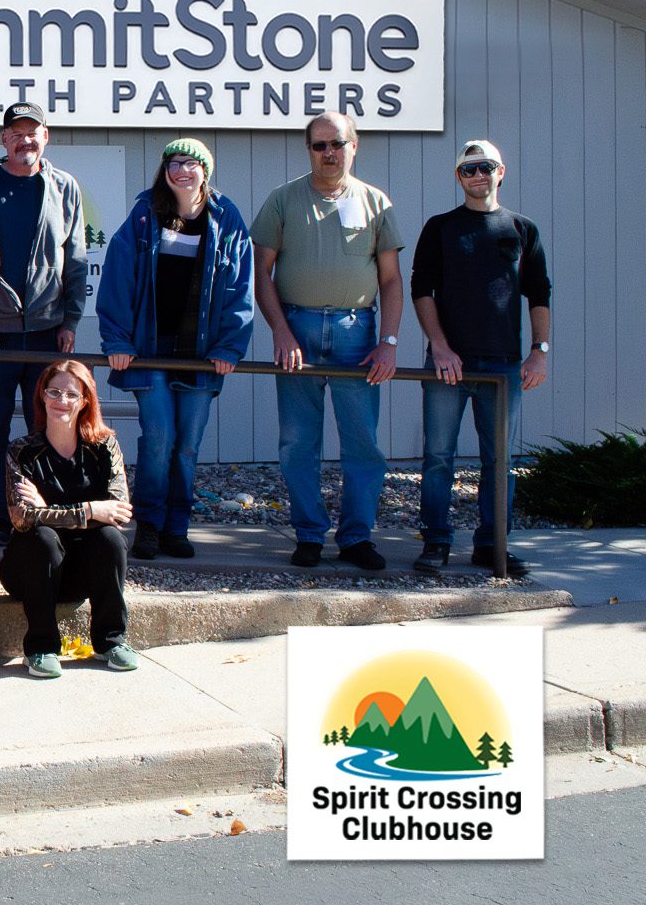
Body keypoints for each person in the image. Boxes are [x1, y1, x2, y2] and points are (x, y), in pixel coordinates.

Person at [252, 112, 405, 571]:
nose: (329, 153)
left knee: (363, 443)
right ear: (309, 150)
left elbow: (392, 280)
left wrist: (389, 341)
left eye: (337, 143)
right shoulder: (283, 200)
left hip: (357, 334)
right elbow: (262, 274)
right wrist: (280, 331)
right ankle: (309, 535)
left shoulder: (376, 202)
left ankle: (357, 537)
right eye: (319, 145)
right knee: (298, 442)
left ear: (354, 146)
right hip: (296, 329)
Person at [98, 138, 255, 560]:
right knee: (159, 437)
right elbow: (117, 280)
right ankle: (149, 524)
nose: (182, 170)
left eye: (191, 163)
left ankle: (177, 526)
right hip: (150, 349)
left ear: (205, 170)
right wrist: (117, 341)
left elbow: (240, 287)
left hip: (201, 354)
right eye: (174, 163)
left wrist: (230, 346)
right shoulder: (145, 215)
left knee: (187, 445)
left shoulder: (226, 218)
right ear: (164, 170)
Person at [411, 140, 551, 577]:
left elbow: (539, 294)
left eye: (485, 167)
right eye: (469, 169)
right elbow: (421, 290)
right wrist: (439, 345)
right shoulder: (440, 228)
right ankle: (435, 541)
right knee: (438, 457)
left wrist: (539, 352)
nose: (478, 176)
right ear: (458, 177)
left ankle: (493, 546)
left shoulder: (522, 229)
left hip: (503, 366)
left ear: (501, 171)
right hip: (447, 366)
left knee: (499, 461)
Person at [0, 102, 89, 547]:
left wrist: (70, 319)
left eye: (33, 132)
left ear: (45, 137)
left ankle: (39, 515)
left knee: (46, 429)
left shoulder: (64, 187)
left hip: (47, 331)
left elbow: (76, 261)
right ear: (4, 139)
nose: (24, 140)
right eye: (16, 133)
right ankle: (0, 514)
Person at [0, 359, 139, 675]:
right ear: (42, 396)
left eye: (71, 394)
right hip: (31, 571)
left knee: (110, 538)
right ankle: (41, 648)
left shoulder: (105, 447)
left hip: (82, 572)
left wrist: (46, 508)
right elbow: (22, 518)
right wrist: (90, 510)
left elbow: (117, 511)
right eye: (54, 392)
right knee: (43, 538)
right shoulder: (21, 451)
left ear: (85, 400)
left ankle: (111, 642)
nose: (61, 400)